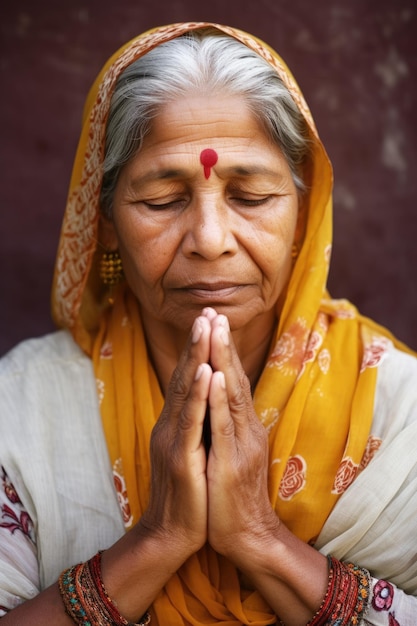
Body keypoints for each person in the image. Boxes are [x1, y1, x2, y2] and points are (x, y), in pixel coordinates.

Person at [0, 21, 416, 626]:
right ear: (106, 220)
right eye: (162, 201)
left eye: (251, 196)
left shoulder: (399, 410)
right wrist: (158, 540)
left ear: (303, 212)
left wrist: (259, 538)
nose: (211, 240)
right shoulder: (22, 408)